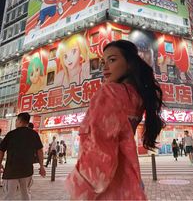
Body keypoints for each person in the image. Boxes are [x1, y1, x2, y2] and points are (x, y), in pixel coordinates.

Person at [66, 39, 165, 200]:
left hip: (103, 190)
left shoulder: (109, 92)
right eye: (103, 62)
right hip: (130, 184)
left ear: (130, 64)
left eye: (112, 60)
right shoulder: (137, 98)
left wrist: (81, 188)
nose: (105, 67)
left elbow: (99, 148)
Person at [0, 112, 46, 200]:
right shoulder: (34, 134)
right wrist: (42, 166)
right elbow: (39, 150)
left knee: (9, 196)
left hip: (11, 171)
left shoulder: (11, 134)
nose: (16, 122)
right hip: (27, 170)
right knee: (26, 194)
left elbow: (1, 150)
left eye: (16, 120)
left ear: (20, 121)